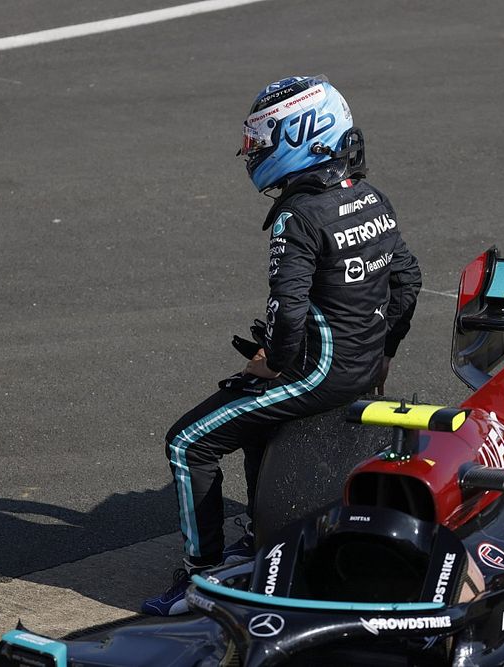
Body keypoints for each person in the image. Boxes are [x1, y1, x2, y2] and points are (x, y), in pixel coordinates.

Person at [142, 75, 422, 615]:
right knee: (258, 421)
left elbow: (288, 311)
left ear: (301, 137)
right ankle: (261, 540)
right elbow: (407, 281)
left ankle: (201, 577)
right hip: (361, 369)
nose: (252, 153)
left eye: (260, 142)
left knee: (187, 443)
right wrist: (383, 353)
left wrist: (273, 362)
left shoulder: (298, 216)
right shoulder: (372, 198)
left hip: (319, 374)